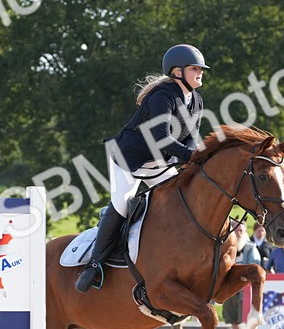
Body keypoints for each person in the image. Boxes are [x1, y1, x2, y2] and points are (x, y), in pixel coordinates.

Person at [76, 44, 207, 293]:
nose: (200, 72)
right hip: (129, 158)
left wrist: (195, 156)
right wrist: (190, 156)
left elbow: (191, 136)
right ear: (177, 72)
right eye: (195, 68)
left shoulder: (196, 100)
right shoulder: (162, 96)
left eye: (200, 68)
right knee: (124, 202)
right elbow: (160, 137)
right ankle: (94, 265)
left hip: (159, 163)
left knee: (180, 201)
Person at [221, 223, 261, 329]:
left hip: (243, 289)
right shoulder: (226, 248)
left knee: (242, 319)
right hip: (228, 289)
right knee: (231, 318)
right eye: (236, 230)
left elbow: (255, 267)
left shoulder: (250, 248)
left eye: (241, 230)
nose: (239, 232)